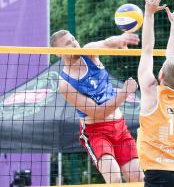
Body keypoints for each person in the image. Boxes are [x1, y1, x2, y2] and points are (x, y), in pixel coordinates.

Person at [50, 30, 144, 183]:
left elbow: (107, 43)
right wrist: (125, 92)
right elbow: (99, 112)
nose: (74, 43)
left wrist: (121, 39)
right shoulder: (65, 84)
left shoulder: (89, 53)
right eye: (68, 43)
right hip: (96, 133)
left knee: (138, 178)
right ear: (58, 53)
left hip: (119, 127)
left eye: (73, 39)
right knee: (114, 179)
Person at [137, 0, 174, 187]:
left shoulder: (151, 91)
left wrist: (149, 13)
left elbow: (147, 50)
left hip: (158, 171)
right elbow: (173, 57)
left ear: (160, 75)